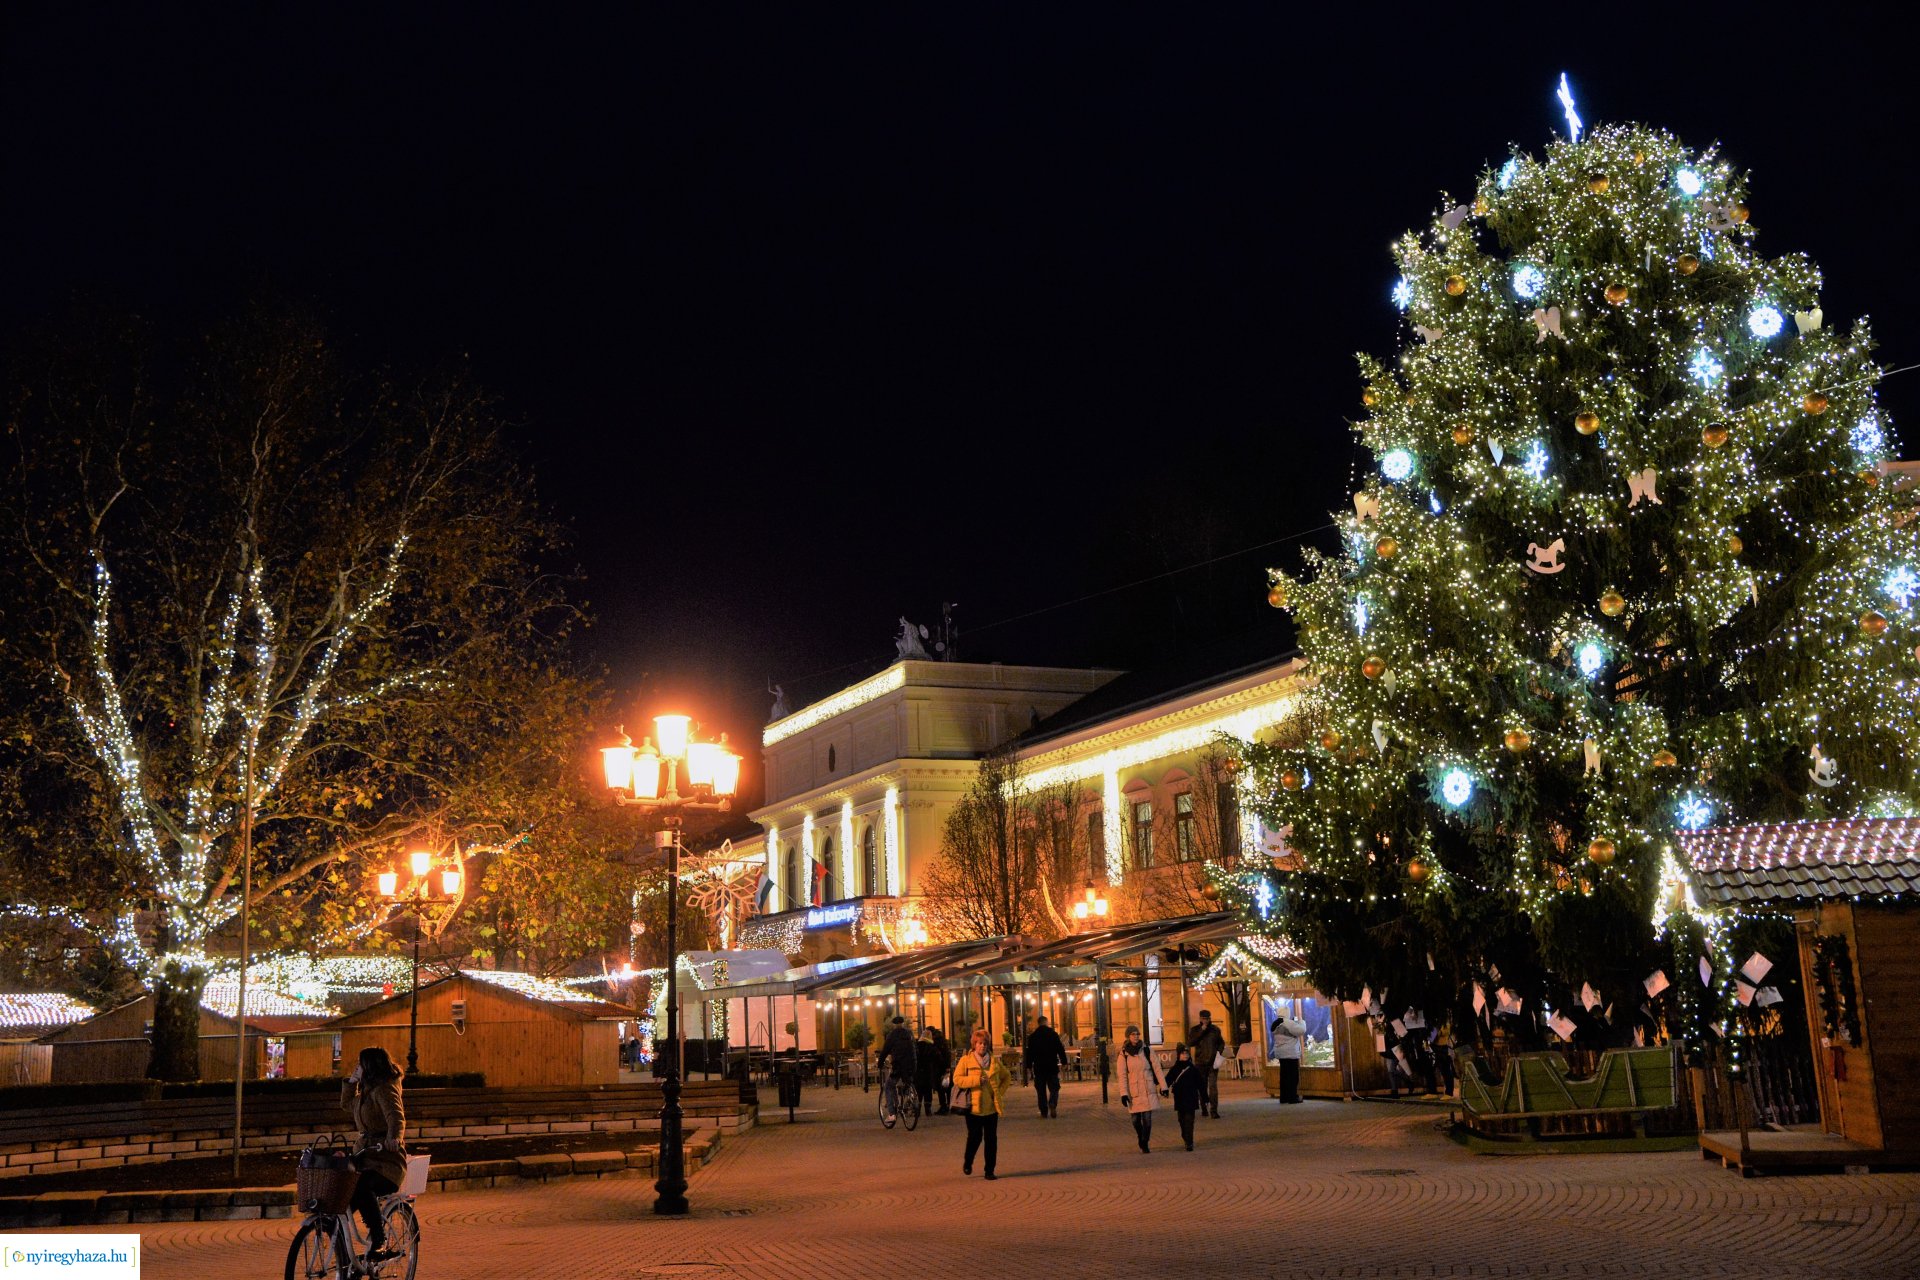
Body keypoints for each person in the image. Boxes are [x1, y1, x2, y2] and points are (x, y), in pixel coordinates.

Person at [341, 1046, 407, 1263]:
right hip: (364, 1156)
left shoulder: (385, 1090)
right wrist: (351, 1081)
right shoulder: (365, 1093)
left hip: (386, 1163)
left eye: (360, 1064)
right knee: (341, 1193)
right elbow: (346, 1105)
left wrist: (394, 1138)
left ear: (370, 1066)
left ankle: (378, 1236)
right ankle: (345, 1256)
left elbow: (395, 1117)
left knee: (360, 1185)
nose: (357, 1068)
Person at [950, 1026, 1010, 1178]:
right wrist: (976, 1080)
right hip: (973, 1108)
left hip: (991, 1108)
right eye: (979, 1043)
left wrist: (999, 1094)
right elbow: (957, 1079)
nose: (982, 1046)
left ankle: (989, 1170)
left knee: (991, 1140)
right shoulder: (966, 1061)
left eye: (985, 1043)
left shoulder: (995, 1062)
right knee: (975, 1138)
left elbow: (1006, 1077)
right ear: (974, 1044)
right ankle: (968, 1161)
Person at [1115, 1024, 1166, 1153]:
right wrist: (1123, 1094)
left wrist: (1163, 1086)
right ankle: (1140, 1136)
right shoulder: (1123, 1054)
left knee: (1147, 1120)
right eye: (1133, 1034)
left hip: (1148, 1089)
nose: (1136, 1036)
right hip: (1134, 1091)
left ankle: (1145, 1142)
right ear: (1128, 1037)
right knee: (1135, 1120)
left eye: (1137, 1034)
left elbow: (1157, 1069)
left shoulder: (1147, 1050)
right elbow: (1122, 1076)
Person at [1024, 1015, 1068, 1118]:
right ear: (1046, 1022)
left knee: (1041, 1090)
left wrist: (1029, 1065)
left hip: (1039, 1067)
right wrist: (1064, 1062)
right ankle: (1052, 1103)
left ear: (1038, 1023)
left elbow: (1029, 1052)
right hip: (1051, 1065)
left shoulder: (1033, 1036)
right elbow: (1060, 1049)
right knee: (1054, 1087)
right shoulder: (1053, 1034)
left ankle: (1044, 1111)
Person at [1186, 1008, 1227, 1119]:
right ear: (1200, 1019)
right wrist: (1202, 1031)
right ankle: (1204, 1107)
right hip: (1200, 1063)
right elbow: (1190, 1042)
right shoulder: (1195, 1030)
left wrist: (1219, 1052)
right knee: (1202, 1087)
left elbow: (1221, 1042)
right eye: (1203, 1018)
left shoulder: (1215, 1030)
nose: (1205, 1021)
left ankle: (1214, 1110)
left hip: (1213, 1063)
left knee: (1213, 1087)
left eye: (1207, 1018)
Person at [874, 1016, 916, 1117]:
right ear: (903, 1023)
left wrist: (880, 1063)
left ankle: (892, 1114)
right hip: (911, 1064)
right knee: (907, 1082)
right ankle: (910, 1097)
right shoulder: (909, 1034)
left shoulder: (892, 1035)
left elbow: (885, 1050)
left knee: (888, 1086)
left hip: (898, 1065)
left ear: (893, 1025)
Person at [1165, 1043, 1204, 1150]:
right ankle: (1185, 1136)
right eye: (1183, 1053)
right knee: (1181, 1120)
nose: (1185, 1055)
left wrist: (1204, 1097)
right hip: (1180, 1098)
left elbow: (1200, 1083)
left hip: (1191, 1098)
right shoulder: (1175, 1068)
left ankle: (1189, 1141)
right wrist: (1163, 1089)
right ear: (1178, 1055)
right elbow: (1168, 1080)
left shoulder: (1193, 1068)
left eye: (1187, 1053)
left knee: (1189, 1120)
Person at [1270, 1008, 1306, 1104]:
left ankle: (1284, 1097)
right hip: (1290, 1053)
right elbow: (1301, 1030)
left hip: (1280, 1053)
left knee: (1284, 1076)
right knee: (1293, 1077)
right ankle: (1292, 1097)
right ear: (1287, 1013)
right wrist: (1301, 1021)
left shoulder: (1275, 1023)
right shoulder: (1287, 1022)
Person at [913, 1025, 941, 1116]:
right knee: (927, 1091)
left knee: (918, 1092)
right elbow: (937, 1057)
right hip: (928, 1072)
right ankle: (928, 1110)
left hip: (918, 1073)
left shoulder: (916, 1045)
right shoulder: (931, 1046)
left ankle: (917, 1110)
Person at [928, 1025, 954, 1114]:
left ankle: (943, 1107)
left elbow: (933, 1055)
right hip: (945, 1067)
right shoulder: (942, 1040)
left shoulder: (934, 1041)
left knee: (940, 1088)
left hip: (938, 1068)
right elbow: (947, 1054)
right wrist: (948, 1067)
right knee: (947, 1087)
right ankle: (950, 1105)